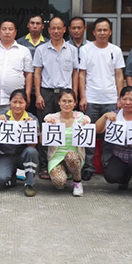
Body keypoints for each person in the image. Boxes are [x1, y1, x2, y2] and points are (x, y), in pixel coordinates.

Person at [78, 17, 125, 180]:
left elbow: (119, 75)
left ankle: (108, 165)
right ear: (93, 32)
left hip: (111, 99)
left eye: (105, 30)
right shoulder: (86, 50)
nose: (102, 33)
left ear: (110, 32)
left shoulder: (116, 50)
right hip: (91, 98)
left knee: (110, 136)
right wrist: (83, 97)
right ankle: (88, 166)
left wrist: (120, 98)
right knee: (89, 134)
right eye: (99, 30)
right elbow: (82, 74)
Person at [0, 19, 33, 174]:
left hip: (16, 102)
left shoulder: (23, 50)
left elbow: (29, 74)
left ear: (15, 32)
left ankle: (17, 161)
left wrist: (27, 94)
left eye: (10, 29)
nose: (7, 32)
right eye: (4, 29)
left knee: (16, 131)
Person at [33, 16, 79, 179]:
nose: (56, 31)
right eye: (53, 28)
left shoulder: (72, 50)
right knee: (46, 129)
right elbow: (37, 73)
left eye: (59, 28)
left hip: (66, 94)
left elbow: (75, 73)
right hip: (46, 93)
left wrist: (74, 94)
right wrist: (38, 94)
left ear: (64, 30)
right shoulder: (41, 50)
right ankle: (44, 166)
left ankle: (66, 164)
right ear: (49, 30)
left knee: (66, 129)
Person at [43, 89, 91, 196]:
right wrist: (47, 127)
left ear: (75, 103)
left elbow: (88, 137)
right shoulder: (51, 118)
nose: (67, 104)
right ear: (59, 102)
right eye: (64, 101)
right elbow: (42, 140)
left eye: (70, 101)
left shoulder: (81, 118)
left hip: (74, 157)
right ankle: (63, 174)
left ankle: (77, 182)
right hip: (56, 157)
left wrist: (86, 125)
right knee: (59, 183)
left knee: (71, 156)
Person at [0, 89, 40, 197]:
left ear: (26, 104)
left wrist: (31, 129)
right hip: (6, 155)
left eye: (21, 102)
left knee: (31, 151)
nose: (17, 106)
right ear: (10, 102)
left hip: (23, 155)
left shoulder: (32, 118)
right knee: (0, 179)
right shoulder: (2, 116)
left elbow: (33, 145)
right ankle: (12, 176)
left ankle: (29, 183)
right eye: (14, 102)